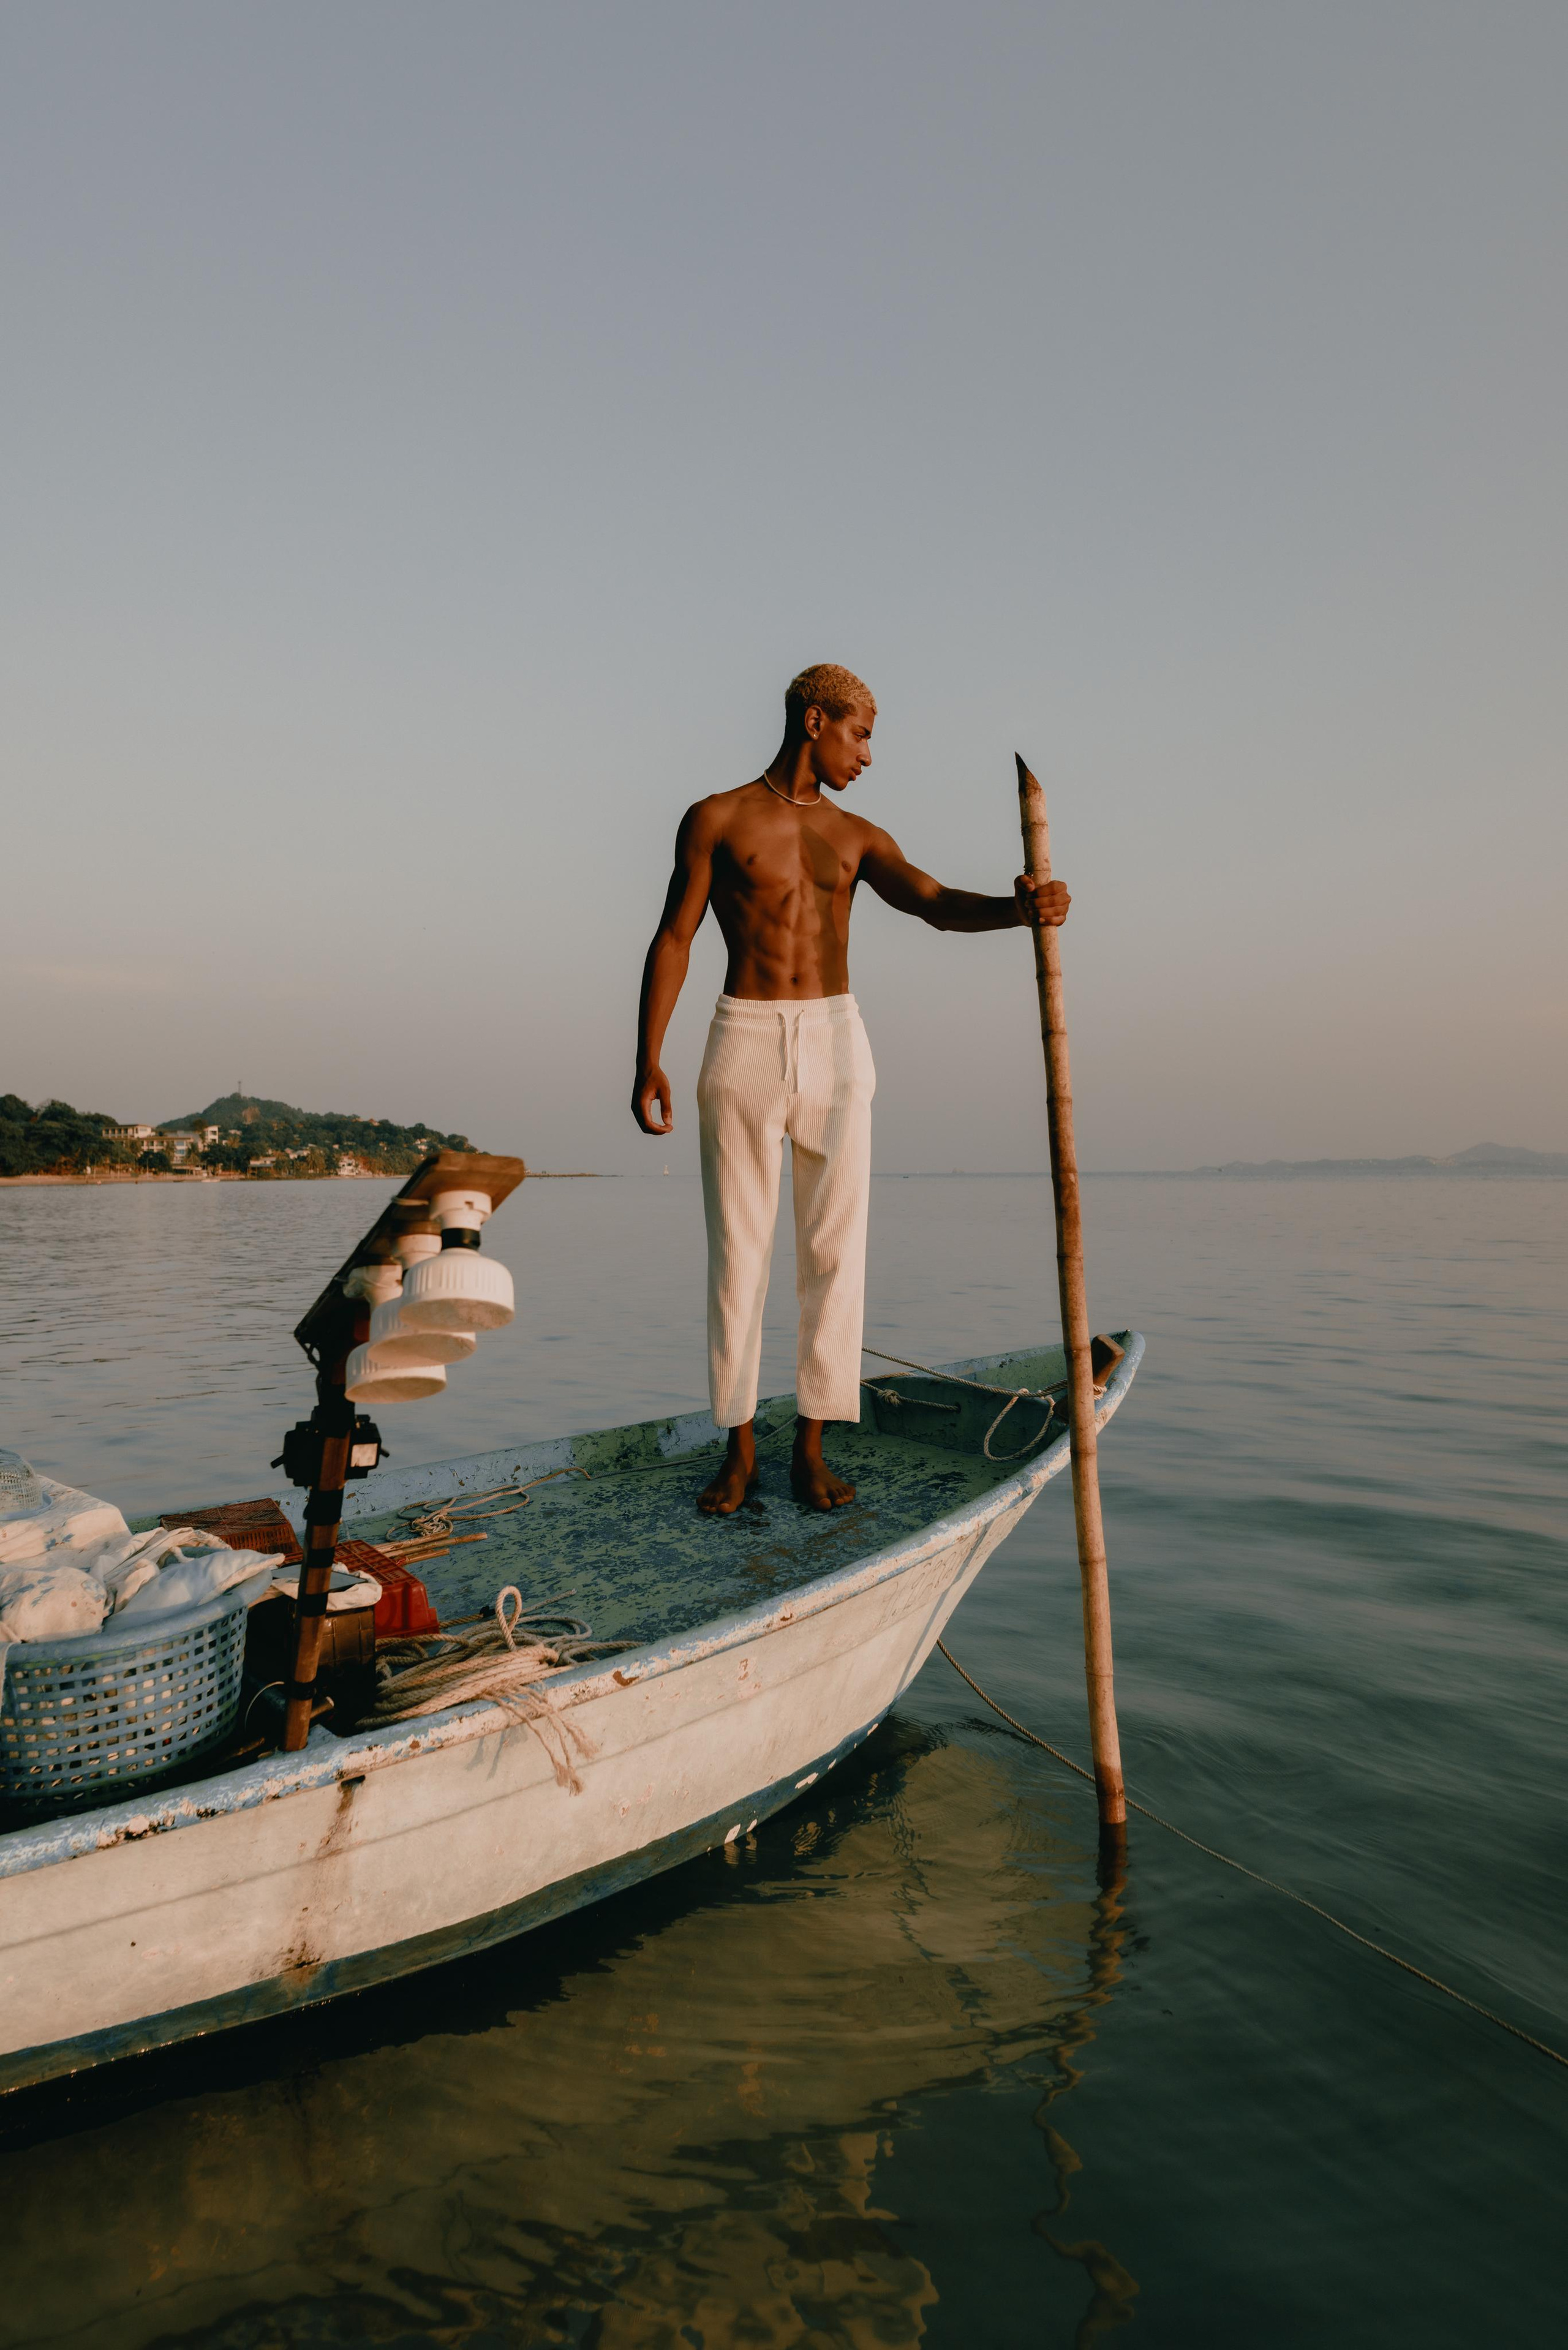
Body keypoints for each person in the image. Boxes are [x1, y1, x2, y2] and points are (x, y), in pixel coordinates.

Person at [632, 662, 1070, 1516]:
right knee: (740, 1259)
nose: (867, 755)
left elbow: (936, 903)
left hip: (837, 1039)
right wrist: (648, 1054)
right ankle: (738, 1449)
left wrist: (1018, 909)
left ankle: (811, 1446)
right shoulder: (716, 818)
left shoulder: (860, 835)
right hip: (745, 1036)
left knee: (835, 1256)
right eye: (860, 733)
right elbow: (674, 935)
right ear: (813, 721)